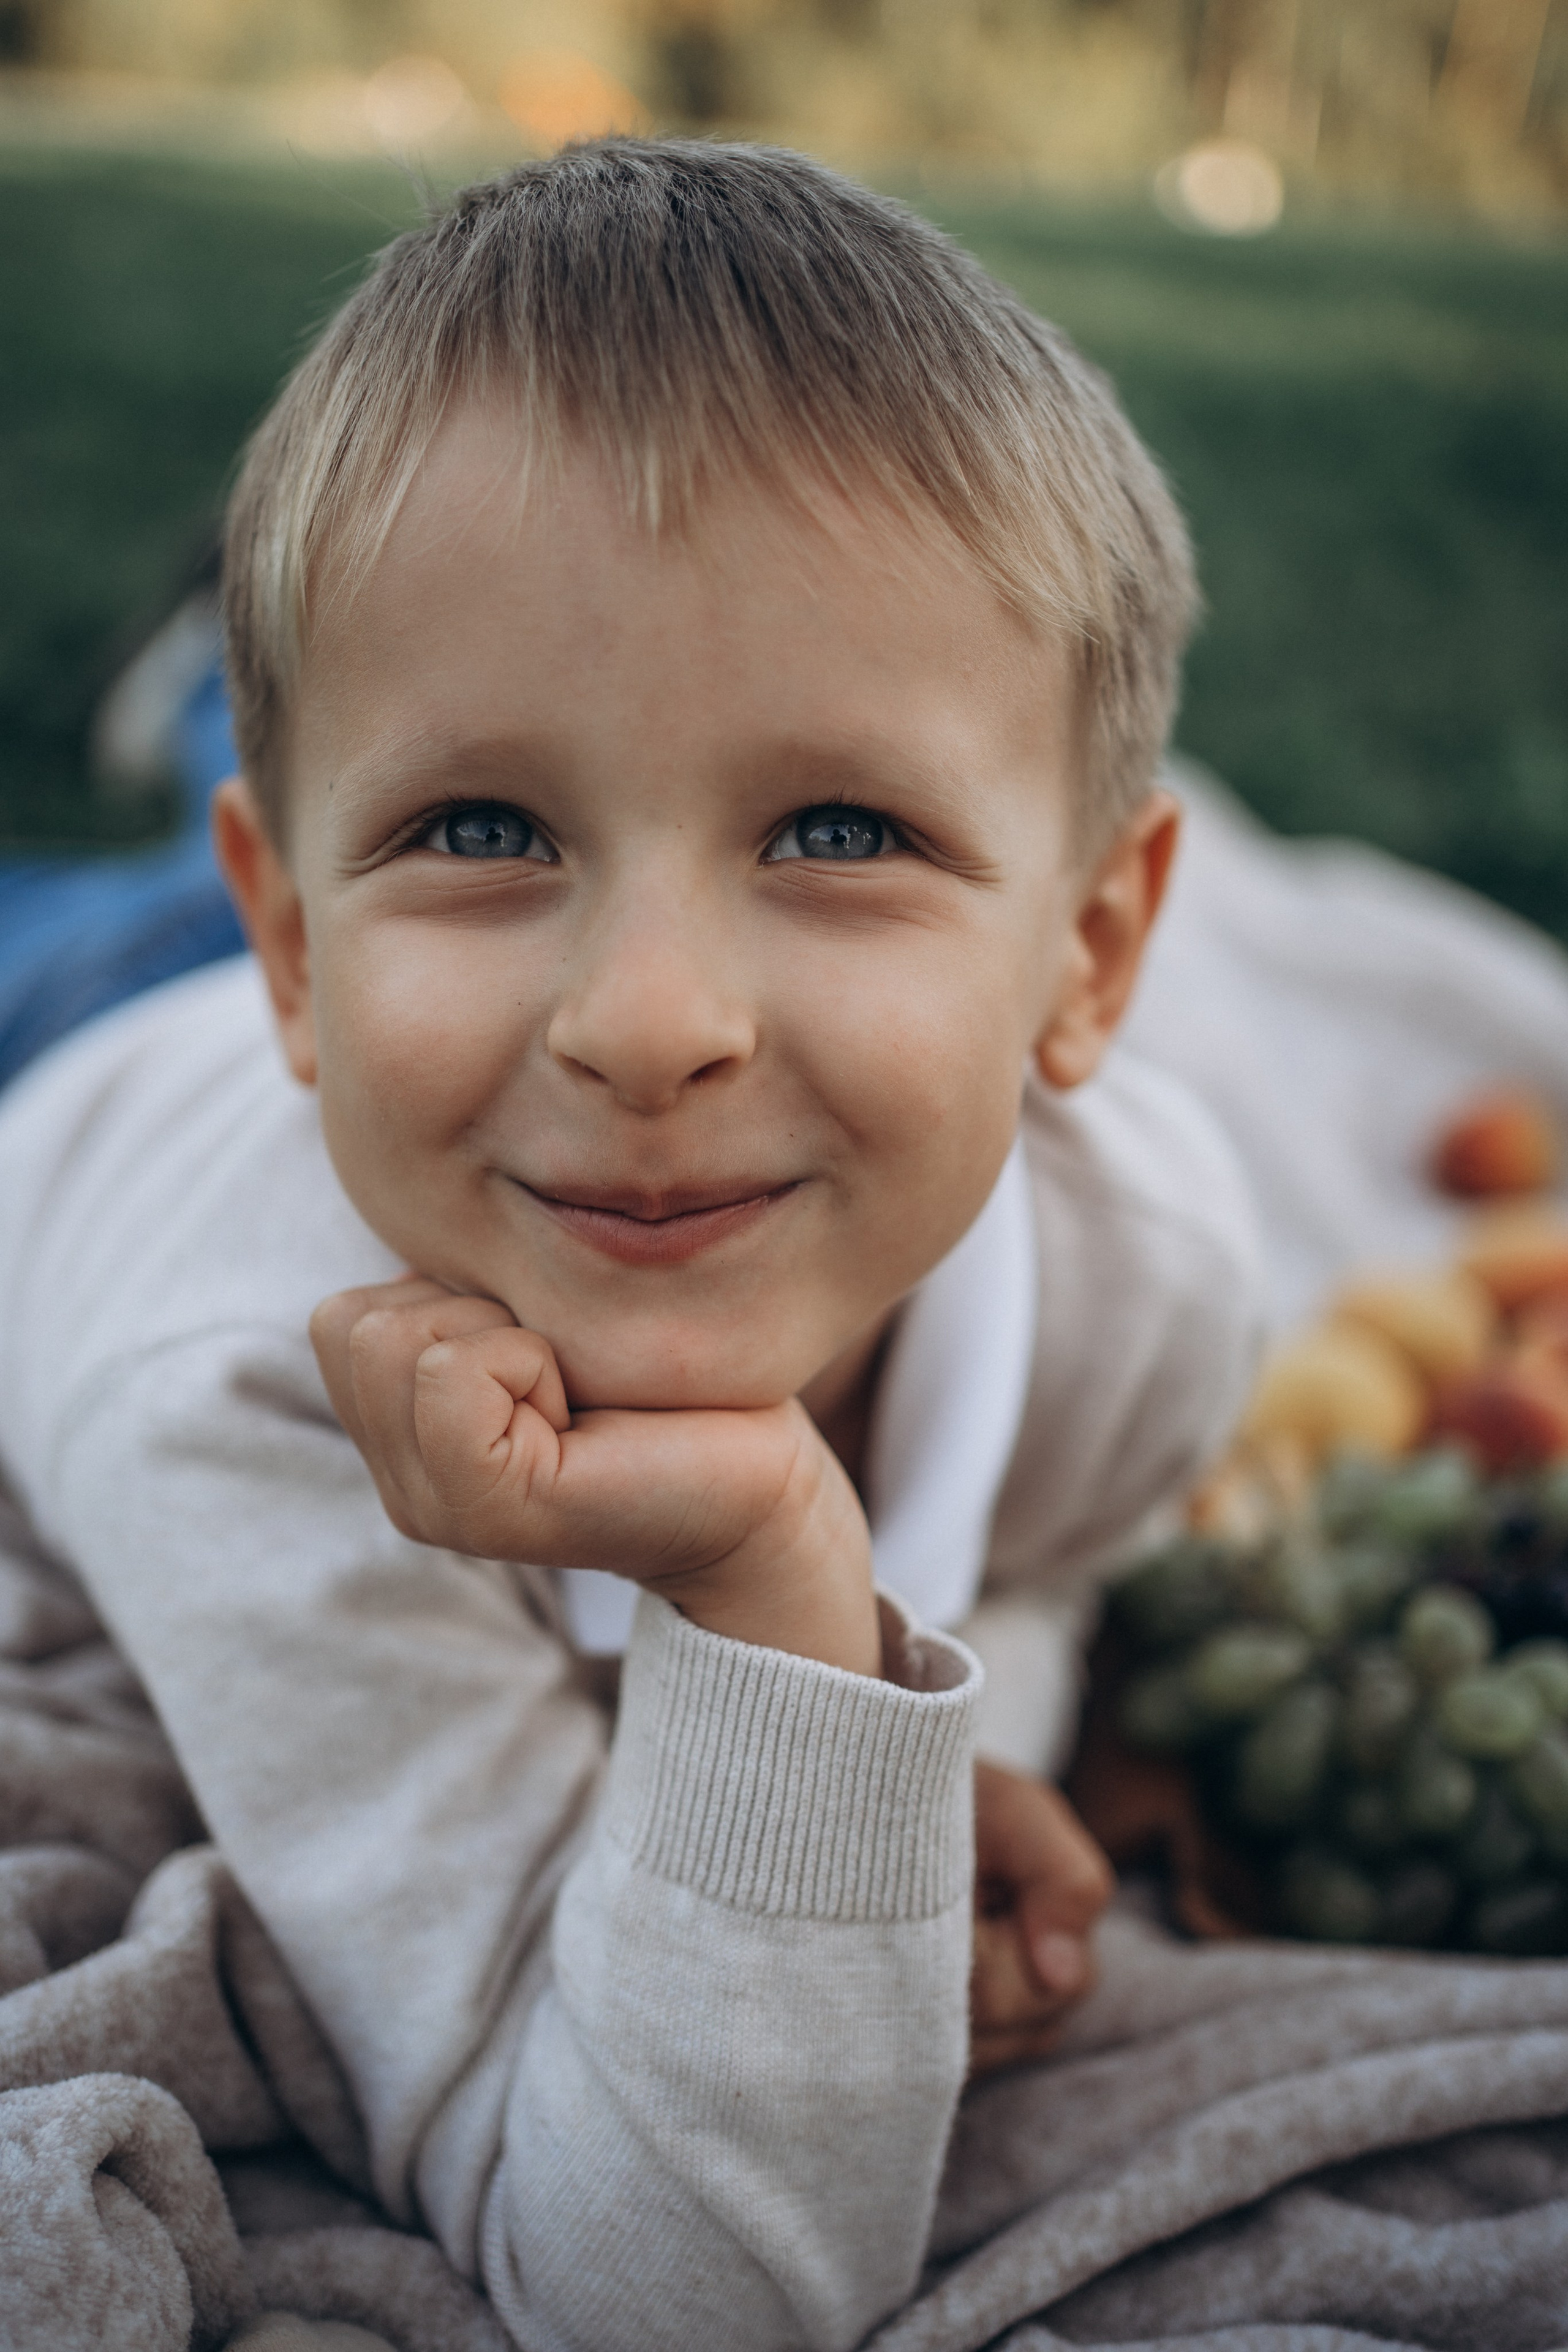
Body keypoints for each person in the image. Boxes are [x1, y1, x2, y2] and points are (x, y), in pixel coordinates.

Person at [0, 141, 1262, 2351]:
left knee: (414, 745)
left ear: (1095, 950)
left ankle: (289, 719)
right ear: (293, 944)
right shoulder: (241, 1395)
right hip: (99, 1083)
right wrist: (790, 1588)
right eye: (480, 820)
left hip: (406, 1045)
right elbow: (669, 2289)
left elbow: (1043, 1561)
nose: (651, 1024)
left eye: (841, 827)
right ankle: (235, 706)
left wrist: (952, 1743)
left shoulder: (1146, 1290)